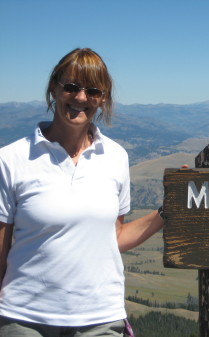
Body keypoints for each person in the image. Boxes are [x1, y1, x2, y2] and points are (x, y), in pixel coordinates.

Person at [0, 48, 166, 336]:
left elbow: (115, 238)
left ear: (103, 99)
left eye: (92, 90)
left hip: (100, 317)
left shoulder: (115, 156)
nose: (80, 97)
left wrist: (169, 210)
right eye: (72, 87)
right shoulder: (11, 159)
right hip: (24, 318)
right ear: (54, 88)